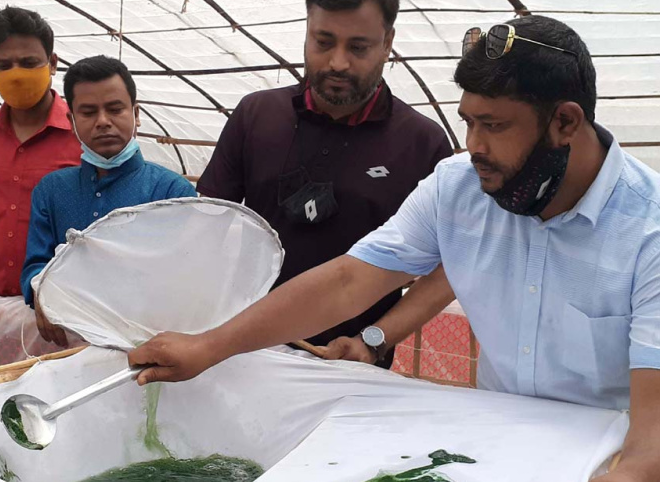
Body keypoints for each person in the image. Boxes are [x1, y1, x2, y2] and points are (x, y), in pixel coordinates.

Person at [130, 16, 660, 481]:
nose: (474, 145)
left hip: (610, 452)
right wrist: (210, 346)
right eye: (468, 121)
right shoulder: (458, 188)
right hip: (495, 442)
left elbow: (650, 440)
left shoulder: (648, 230)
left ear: (565, 121)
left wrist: (630, 472)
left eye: (494, 126)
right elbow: (350, 281)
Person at [196, 0, 453, 367]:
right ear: (306, 31)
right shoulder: (256, 115)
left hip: (349, 369)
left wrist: (374, 340)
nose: (337, 62)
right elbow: (205, 228)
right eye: (323, 42)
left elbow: (447, 269)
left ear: (388, 42)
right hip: (242, 354)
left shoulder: (422, 144)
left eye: (358, 47)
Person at [21, 56, 196, 347]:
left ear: (136, 114)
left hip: (146, 346)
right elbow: (36, 263)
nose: (103, 122)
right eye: (88, 112)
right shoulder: (51, 191)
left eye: (115, 109)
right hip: (67, 348)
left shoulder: (172, 193)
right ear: (72, 120)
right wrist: (40, 289)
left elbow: (183, 281)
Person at [0, 7, 81, 297]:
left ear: (52, 63)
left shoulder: (81, 132)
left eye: (29, 63)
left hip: (62, 304)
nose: (16, 75)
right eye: (4, 65)